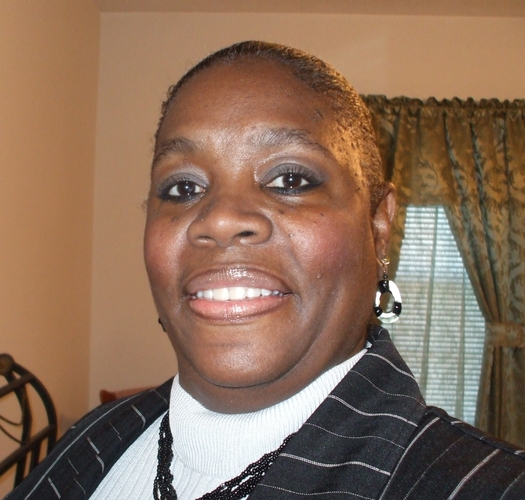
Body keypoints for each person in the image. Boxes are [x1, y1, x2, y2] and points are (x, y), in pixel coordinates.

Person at [7, 41, 525, 500]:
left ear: (378, 225)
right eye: (182, 188)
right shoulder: (89, 441)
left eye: (291, 180)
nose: (220, 219)